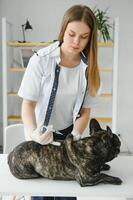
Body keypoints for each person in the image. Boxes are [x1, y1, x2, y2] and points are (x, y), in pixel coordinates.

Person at [18, 4, 100, 200]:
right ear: (63, 30)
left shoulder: (90, 68)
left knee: (67, 195)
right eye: (71, 34)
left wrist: (76, 134)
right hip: (40, 135)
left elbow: (85, 111)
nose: (76, 41)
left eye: (83, 36)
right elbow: (27, 105)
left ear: (90, 37)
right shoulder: (41, 60)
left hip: (68, 137)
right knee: (41, 194)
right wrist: (33, 133)